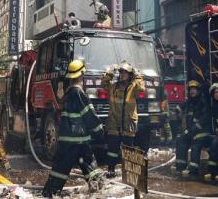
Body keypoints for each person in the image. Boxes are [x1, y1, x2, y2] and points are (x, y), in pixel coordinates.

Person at [42, 59, 104, 197]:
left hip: (66, 139)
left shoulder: (68, 93)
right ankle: (99, 191)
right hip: (80, 138)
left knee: (61, 167)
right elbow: (88, 114)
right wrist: (99, 129)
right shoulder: (79, 93)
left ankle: (50, 192)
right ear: (82, 74)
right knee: (89, 165)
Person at [101, 61, 145, 178]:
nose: (122, 74)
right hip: (114, 121)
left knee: (128, 149)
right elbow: (104, 83)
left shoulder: (134, 87)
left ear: (130, 74)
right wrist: (111, 71)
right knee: (112, 148)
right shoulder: (113, 86)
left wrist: (137, 73)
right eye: (121, 72)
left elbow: (142, 88)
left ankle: (130, 173)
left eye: (125, 72)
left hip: (128, 122)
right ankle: (111, 170)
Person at [174, 80, 211, 178]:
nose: (192, 91)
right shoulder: (189, 101)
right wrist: (178, 113)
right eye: (190, 89)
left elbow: (204, 119)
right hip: (191, 131)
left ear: (198, 91)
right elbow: (178, 107)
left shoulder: (203, 102)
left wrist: (191, 130)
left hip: (202, 132)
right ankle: (180, 166)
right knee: (181, 140)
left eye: (194, 89)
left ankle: (193, 170)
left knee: (196, 143)